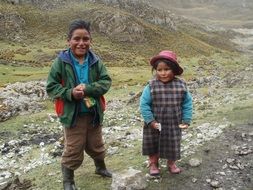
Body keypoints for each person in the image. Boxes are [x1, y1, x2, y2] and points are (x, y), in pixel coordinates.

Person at [46, 19, 112, 190]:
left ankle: (100, 168)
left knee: (96, 144)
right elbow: (52, 87)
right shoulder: (60, 62)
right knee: (74, 149)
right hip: (72, 115)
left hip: (93, 113)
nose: (81, 43)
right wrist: (70, 93)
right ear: (69, 40)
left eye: (86, 39)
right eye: (77, 39)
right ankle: (68, 181)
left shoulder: (96, 61)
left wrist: (89, 89)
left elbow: (106, 82)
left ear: (90, 41)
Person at [139, 50, 193, 176]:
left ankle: (171, 163)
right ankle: (153, 163)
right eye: (159, 70)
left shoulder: (181, 85)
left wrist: (186, 120)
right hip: (155, 123)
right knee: (152, 143)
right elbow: (144, 104)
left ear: (173, 69)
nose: (163, 73)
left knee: (173, 143)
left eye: (167, 69)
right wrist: (150, 121)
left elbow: (187, 104)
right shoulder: (151, 85)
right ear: (155, 70)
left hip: (174, 122)